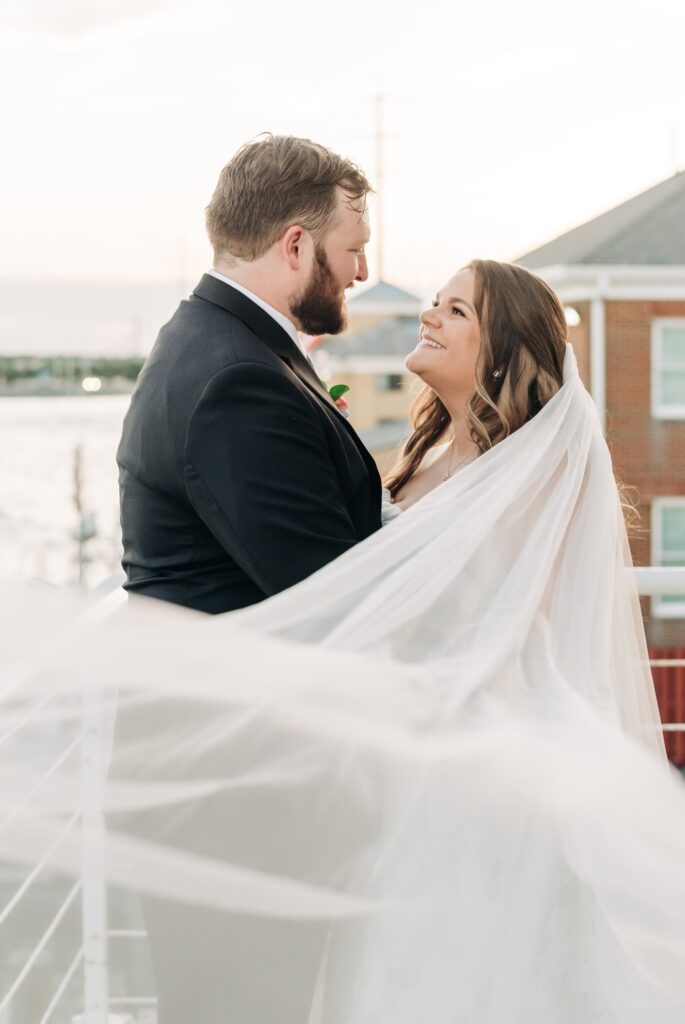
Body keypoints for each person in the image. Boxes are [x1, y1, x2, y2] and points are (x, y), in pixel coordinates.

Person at [6, 260, 685, 1022]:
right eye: (434, 301)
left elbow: (486, 622)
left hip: (479, 754)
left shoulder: (523, 478)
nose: (428, 316)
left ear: (499, 350)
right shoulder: (427, 458)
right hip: (413, 749)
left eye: (454, 310)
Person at [117, 133, 382, 616]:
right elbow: (330, 597)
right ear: (296, 246)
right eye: (355, 249)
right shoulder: (239, 382)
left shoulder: (206, 335)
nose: (361, 272)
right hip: (239, 686)